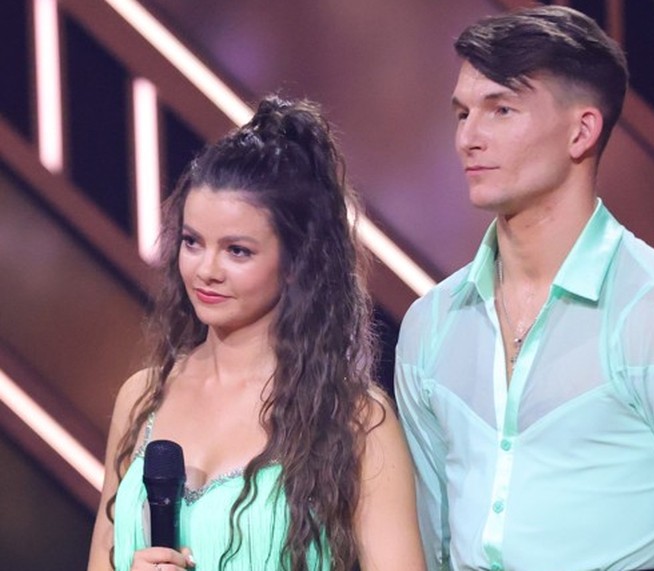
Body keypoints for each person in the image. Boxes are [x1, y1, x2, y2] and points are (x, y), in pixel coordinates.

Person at [395, 6, 654, 571]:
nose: (468, 138)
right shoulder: (432, 322)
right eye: (462, 113)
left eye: (500, 109)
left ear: (581, 130)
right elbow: (428, 547)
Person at [87, 96, 426, 571]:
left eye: (237, 251)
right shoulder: (142, 399)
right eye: (192, 242)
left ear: (295, 263)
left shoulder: (353, 422)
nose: (206, 270)